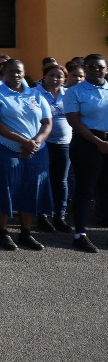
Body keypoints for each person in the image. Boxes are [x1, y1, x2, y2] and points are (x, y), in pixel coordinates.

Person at [0, 59, 52, 251]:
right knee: (5, 189)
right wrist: (23, 142)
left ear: (24, 72)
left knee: (31, 189)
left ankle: (26, 232)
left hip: (36, 150)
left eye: (19, 71)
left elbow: (47, 122)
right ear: (3, 73)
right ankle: (3, 232)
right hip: (3, 148)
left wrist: (35, 142)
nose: (16, 75)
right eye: (11, 71)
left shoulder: (36, 94)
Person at [62, 53, 108, 252]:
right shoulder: (75, 92)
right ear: (85, 68)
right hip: (86, 143)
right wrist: (98, 142)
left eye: (100, 66)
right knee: (85, 189)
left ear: (106, 69)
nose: (96, 69)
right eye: (91, 66)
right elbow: (74, 121)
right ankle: (80, 233)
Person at [34, 63, 72, 233]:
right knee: (44, 180)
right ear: (44, 76)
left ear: (64, 79)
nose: (56, 79)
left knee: (61, 181)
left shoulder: (68, 94)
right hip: (44, 143)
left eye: (60, 76)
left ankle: (59, 216)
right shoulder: (36, 94)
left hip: (64, 143)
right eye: (52, 75)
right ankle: (42, 216)